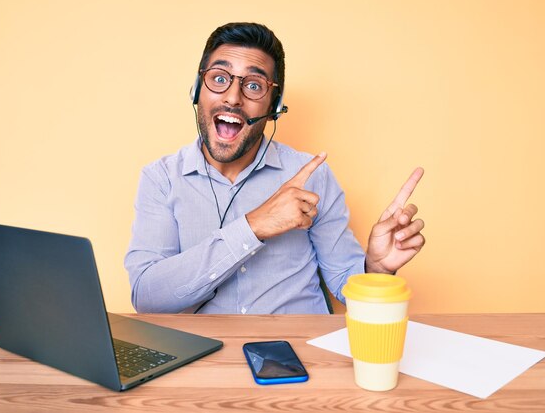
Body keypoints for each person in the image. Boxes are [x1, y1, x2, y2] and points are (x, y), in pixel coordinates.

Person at [124, 22, 425, 314]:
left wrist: (376, 269)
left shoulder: (311, 174)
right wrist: (255, 225)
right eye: (219, 78)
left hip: (297, 351)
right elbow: (148, 297)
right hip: (206, 355)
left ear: (274, 106)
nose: (232, 97)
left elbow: (347, 286)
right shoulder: (161, 179)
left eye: (254, 85)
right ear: (196, 91)